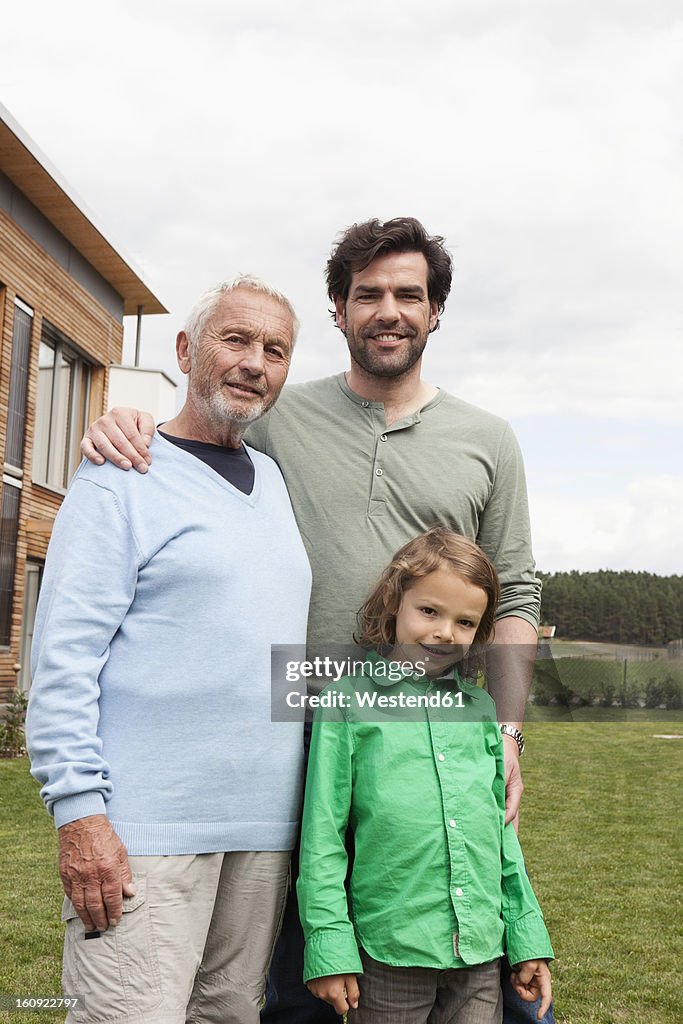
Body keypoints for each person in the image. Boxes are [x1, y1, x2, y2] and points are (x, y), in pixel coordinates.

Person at [79, 217, 553, 1024]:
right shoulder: (278, 417)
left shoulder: (487, 441)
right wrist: (124, 422)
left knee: (469, 955)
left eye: (409, 294)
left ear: (436, 311)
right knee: (305, 978)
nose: (388, 310)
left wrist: (504, 734)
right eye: (366, 294)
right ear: (338, 310)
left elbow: (513, 598)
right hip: (296, 729)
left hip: (428, 740)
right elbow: (193, 438)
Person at [26, 276, 312, 1024]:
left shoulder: (276, 481)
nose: (254, 362)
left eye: (274, 350)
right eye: (236, 339)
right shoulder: (122, 472)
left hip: (261, 839)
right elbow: (62, 656)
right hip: (141, 837)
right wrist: (80, 815)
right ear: (186, 351)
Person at [298, 528, 553, 1023]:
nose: (444, 633)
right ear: (395, 601)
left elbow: (501, 837)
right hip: (390, 951)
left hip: (480, 954)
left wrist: (526, 938)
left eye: (465, 621)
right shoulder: (346, 702)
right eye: (429, 611)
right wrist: (330, 946)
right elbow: (322, 838)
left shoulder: (482, 711)